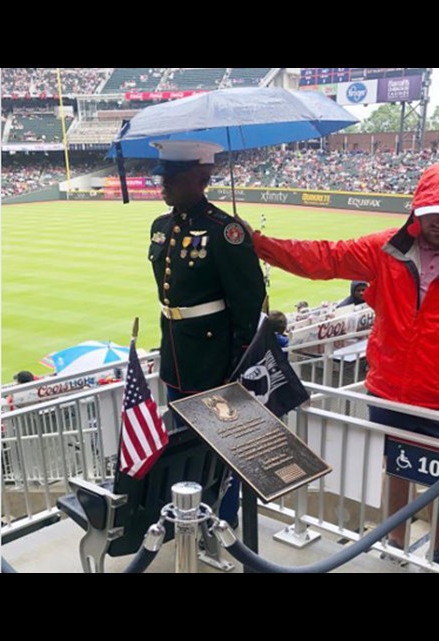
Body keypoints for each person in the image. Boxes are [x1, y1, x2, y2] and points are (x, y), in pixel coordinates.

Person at [239, 162, 439, 563]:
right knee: (397, 470)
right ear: (416, 211)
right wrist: (259, 244)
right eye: (429, 212)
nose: (438, 222)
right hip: (389, 393)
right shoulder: (385, 250)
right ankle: (395, 544)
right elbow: (324, 258)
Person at [147, 140, 266, 528]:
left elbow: (249, 301)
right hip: (177, 353)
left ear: (200, 178)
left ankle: (222, 522)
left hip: (214, 360)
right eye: (161, 176)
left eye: (171, 177)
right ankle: (190, 519)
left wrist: (240, 360)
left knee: (223, 446)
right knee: (184, 444)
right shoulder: (161, 227)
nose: (162, 184)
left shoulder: (225, 230)